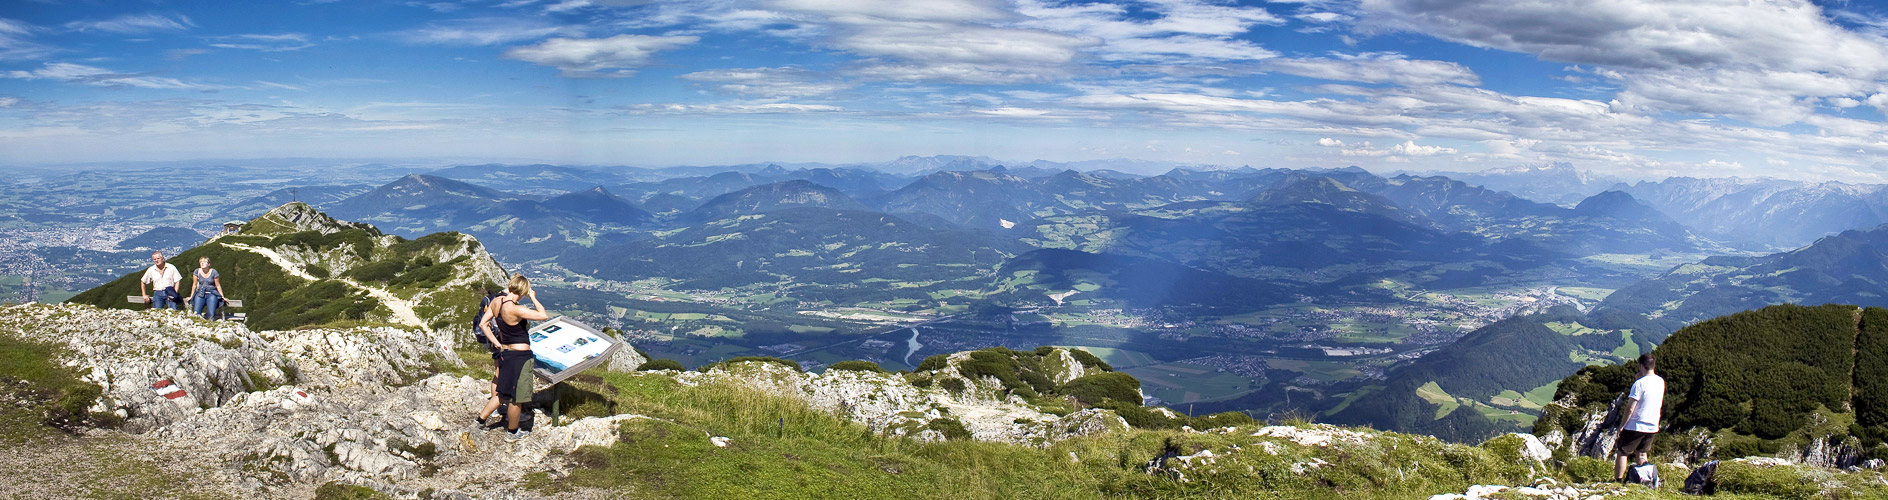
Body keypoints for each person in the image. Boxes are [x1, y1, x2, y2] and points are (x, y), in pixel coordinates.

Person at [479, 274, 550, 442]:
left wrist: (496, 343)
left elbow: (483, 323)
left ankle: (480, 420)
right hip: (520, 356)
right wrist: (533, 298)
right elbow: (543, 315)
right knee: (516, 398)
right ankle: (512, 432)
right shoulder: (514, 308)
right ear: (523, 291)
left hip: (506, 353)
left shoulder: (498, 301)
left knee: (501, 393)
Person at [1615, 353, 1665, 482]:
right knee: (1642, 453)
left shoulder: (1639, 384)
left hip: (1636, 424)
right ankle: (1646, 480)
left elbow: (1630, 408)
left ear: (1641, 366)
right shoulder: (1660, 381)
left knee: (1623, 452)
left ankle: (1618, 480)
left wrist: (1622, 426)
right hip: (1653, 425)